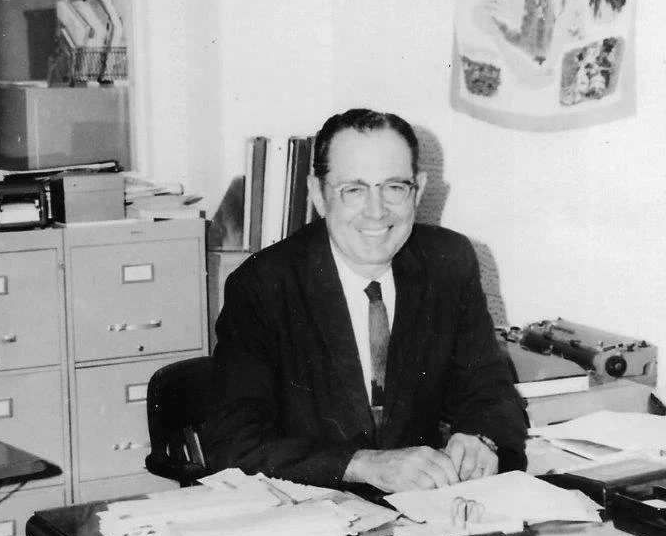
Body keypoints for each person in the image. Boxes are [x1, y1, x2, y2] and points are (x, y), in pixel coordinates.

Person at [203, 108, 527, 494]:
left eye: (394, 187)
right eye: (354, 189)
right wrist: (363, 465)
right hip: (312, 514)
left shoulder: (449, 263)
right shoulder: (264, 285)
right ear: (318, 196)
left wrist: (480, 438)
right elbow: (233, 443)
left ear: (418, 190)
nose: (377, 211)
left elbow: (491, 390)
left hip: (422, 514)